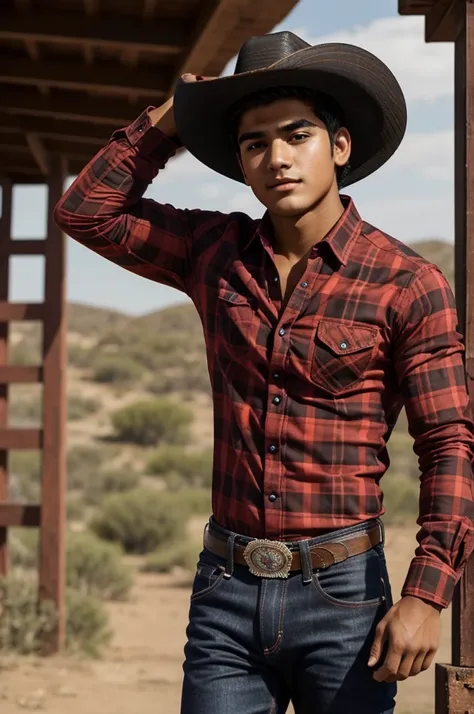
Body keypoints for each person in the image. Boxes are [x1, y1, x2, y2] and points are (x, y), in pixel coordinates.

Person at [54, 31, 474, 714]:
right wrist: (170, 121)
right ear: (241, 163)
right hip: (226, 590)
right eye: (255, 143)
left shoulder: (407, 282)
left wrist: (427, 594)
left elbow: (450, 444)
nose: (276, 158)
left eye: (297, 135)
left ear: (339, 147)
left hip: (345, 599)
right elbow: (87, 210)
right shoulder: (212, 252)